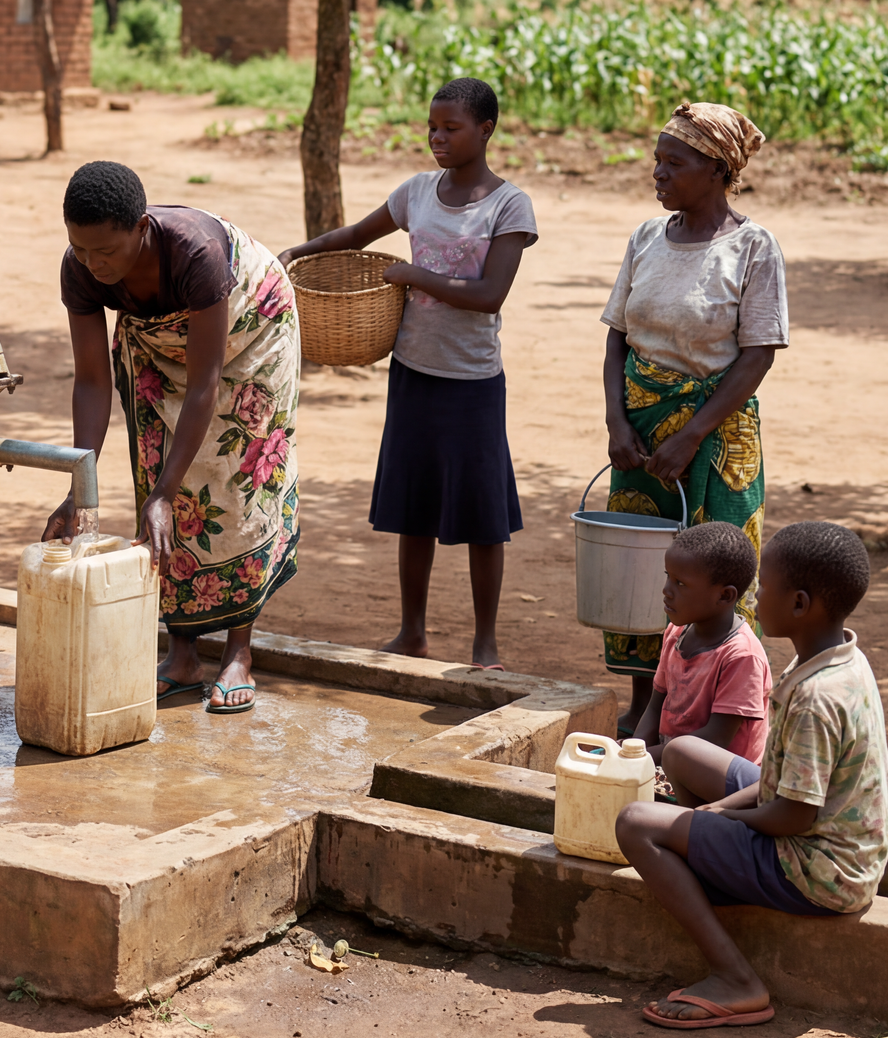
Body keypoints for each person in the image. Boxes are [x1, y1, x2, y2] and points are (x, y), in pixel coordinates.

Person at [278, 77, 536, 669]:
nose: (437, 138)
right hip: (414, 370)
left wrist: (415, 275)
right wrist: (298, 252)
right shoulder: (417, 192)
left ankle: (486, 643)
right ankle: (412, 631)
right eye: (432, 128)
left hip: (472, 380)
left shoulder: (509, 206)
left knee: (483, 514)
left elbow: (490, 295)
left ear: (486, 130)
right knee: (413, 506)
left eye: (451, 128)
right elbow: (356, 236)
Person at [43, 161, 301, 715]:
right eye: (80, 249)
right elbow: (91, 381)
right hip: (157, 341)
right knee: (156, 468)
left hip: (249, 330)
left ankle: (238, 651)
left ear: (141, 227)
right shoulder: (80, 269)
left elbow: (206, 384)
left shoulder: (195, 254)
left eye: (105, 251)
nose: (93, 264)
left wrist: (166, 493)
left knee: (236, 480)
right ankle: (182, 654)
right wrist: (78, 488)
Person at [616, 521, 888, 1029]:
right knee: (682, 752)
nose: (755, 596)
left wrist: (717, 819)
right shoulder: (834, 660)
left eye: (765, 586)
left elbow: (793, 816)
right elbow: (782, 787)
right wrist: (713, 815)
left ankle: (735, 978)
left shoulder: (816, 697)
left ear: (800, 605)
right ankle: (702, 850)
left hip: (818, 870)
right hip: (817, 831)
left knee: (635, 824)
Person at [601, 100, 788, 734]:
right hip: (640, 431)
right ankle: (644, 707)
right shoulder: (646, 238)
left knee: (714, 572)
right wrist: (616, 423)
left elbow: (757, 355)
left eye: (673, 163)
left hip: (716, 437)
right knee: (642, 571)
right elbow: (618, 338)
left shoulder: (753, 248)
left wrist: (691, 435)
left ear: (716, 170)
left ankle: (721, 713)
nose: (658, 173)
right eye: (657, 160)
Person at [630, 522, 773, 800]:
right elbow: (655, 706)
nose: (667, 590)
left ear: (725, 596)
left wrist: (641, 757)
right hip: (671, 766)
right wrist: (633, 750)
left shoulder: (741, 656)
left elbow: (717, 739)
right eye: (668, 577)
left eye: (681, 583)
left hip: (721, 786)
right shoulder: (676, 633)